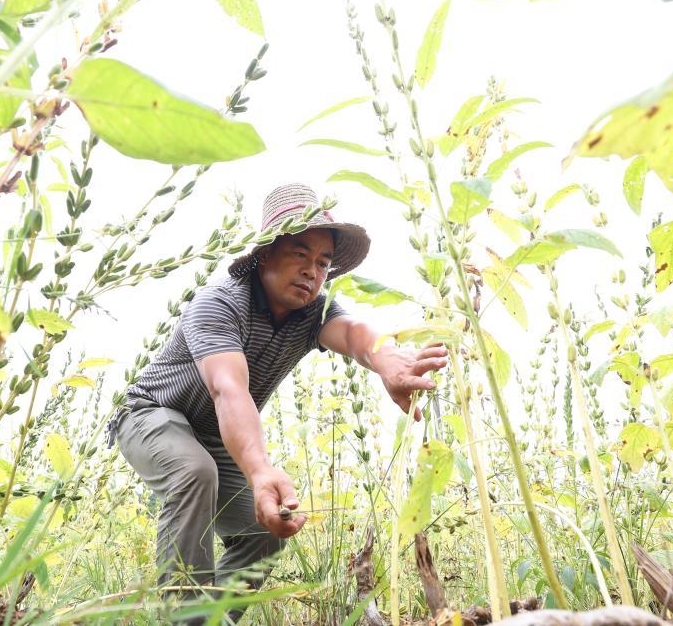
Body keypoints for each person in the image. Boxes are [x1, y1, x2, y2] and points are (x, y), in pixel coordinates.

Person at [106, 182, 448, 621]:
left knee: (264, 529)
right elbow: (228, 389)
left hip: (215, 436)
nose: (311, 271)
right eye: (300, 254)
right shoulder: (219, 303)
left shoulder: (314, 313)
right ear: (265, 254)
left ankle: (212, 620)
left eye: (322, 262)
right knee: (194, 471)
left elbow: (353, 334)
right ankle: (183, 619)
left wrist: (386, 361)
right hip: (151, 415)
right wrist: (259, 470)